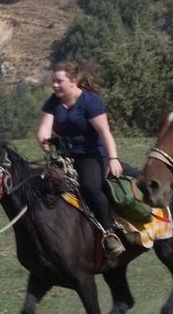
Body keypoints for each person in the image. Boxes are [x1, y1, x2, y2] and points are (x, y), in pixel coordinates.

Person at [36, 62, 127, 260]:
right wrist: (44, 140)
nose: (55, 85)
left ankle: (109, 232)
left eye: (59, 81)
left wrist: (113, 159)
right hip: (64, 156)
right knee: (42, 183)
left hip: (91, 155)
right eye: (53, 81)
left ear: (73, 81)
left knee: (90, 186)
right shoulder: (53, 102)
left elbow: (104, 133)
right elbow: (44, 127)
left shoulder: (90, 101)